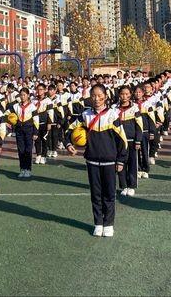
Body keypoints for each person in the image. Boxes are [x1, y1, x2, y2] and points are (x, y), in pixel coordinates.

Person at [65, 84, 127, 238]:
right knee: (95, 194)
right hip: (92, 160)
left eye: (100, 95)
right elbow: (69, 129)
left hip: (109, 161)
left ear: (105, 96)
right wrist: (68, 144)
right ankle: (98, 223)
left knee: (109, 194)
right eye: (93, 95)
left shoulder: (113, 115)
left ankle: (109, 224)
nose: (97, 99)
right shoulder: (85, 115)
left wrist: (120, 160)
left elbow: (122, 140)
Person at [115, 85, 142, 196]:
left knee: (132, 163)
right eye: (122, 94)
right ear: (119, 95)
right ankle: (124, 186)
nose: (124, 96)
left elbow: (139, 125)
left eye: (126, 94)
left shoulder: (135, 108)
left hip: (131, 140)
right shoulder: (113, 108)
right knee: (120, 163)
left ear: (130, 95)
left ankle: (131, 186)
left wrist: (138, 140)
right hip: (119, 141)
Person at [8, 87, 38, 178]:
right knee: (21, 150)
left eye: (24, 95)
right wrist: (8, 121)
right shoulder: (16, 106)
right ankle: (22, 169)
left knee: (28, 150)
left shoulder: (32, 106)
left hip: (29, 130)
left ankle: (28, 169)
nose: (22, 97)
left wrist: (35, 132)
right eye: (21, 95)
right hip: (19, 130)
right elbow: (7, 113)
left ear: (28, 95)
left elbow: (36, 120)